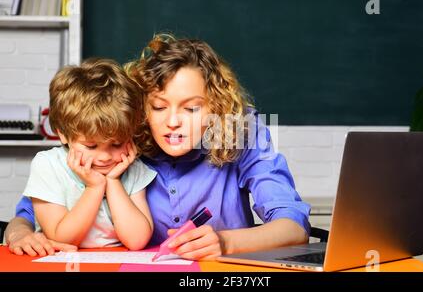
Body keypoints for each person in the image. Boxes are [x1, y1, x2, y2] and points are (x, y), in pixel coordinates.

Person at [6, 34, 311, 260]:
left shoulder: (241, 131)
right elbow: (30, 211)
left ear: (217, 108)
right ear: (141, 110)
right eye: (159, 107)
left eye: (191, 109)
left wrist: (227, 242)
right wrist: (18, 232)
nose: (173, 122)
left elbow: (294, 226)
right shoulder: (120, 139)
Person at [5, 58, 156, 255]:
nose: (104, 157)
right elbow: (61, 237)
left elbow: (137, 240)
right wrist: (94, 187)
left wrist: (113, 182)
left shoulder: (132, 168)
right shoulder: (48, 165)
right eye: (90, 145)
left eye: (116, 143)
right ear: (63, 134)